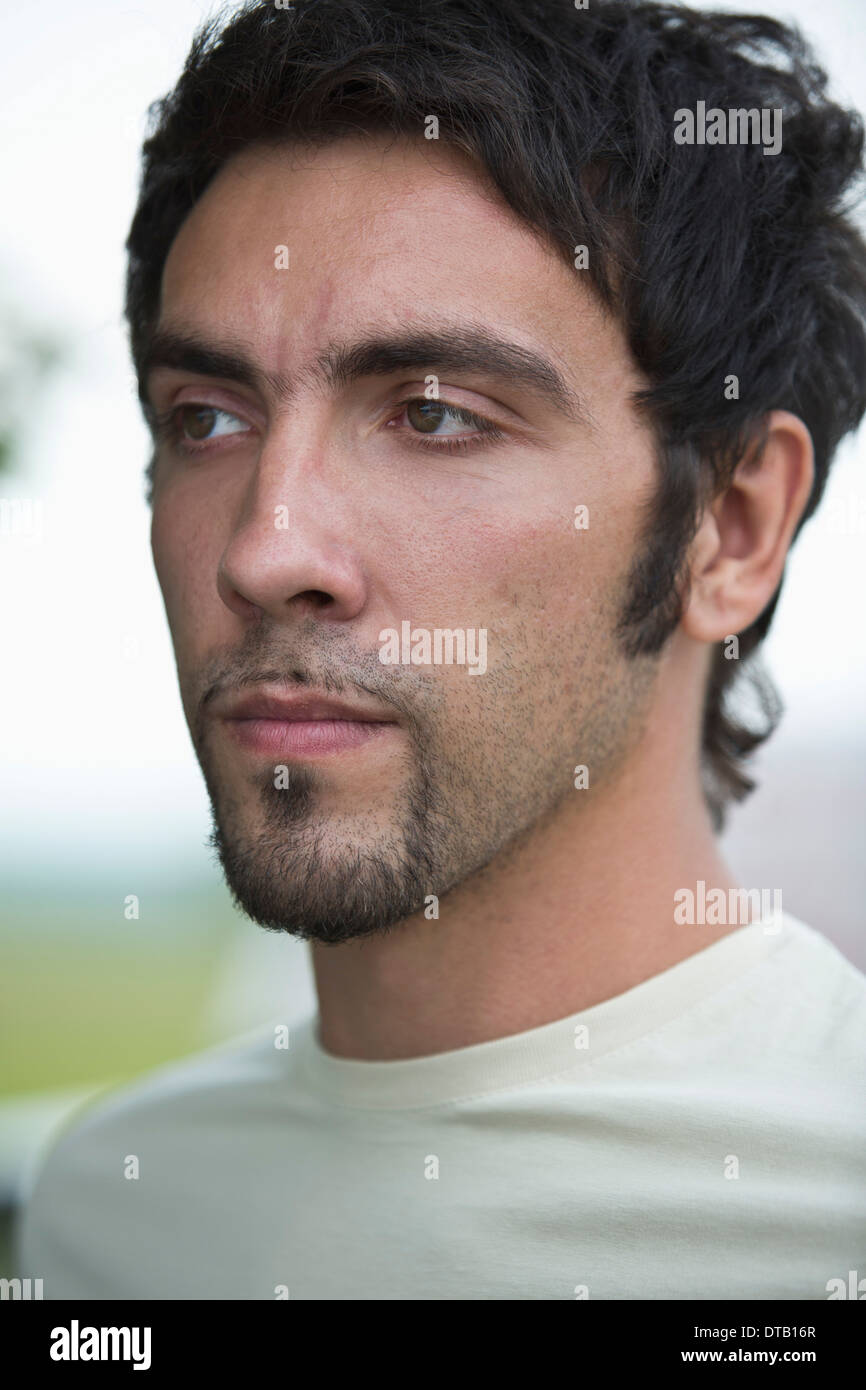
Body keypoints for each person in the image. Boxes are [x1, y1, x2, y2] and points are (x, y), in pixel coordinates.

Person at [18, 0, 866, 1299]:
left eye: (431, 414)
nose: (265, 548)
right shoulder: (106, 1216)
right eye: (207, 418)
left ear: (730, 528)